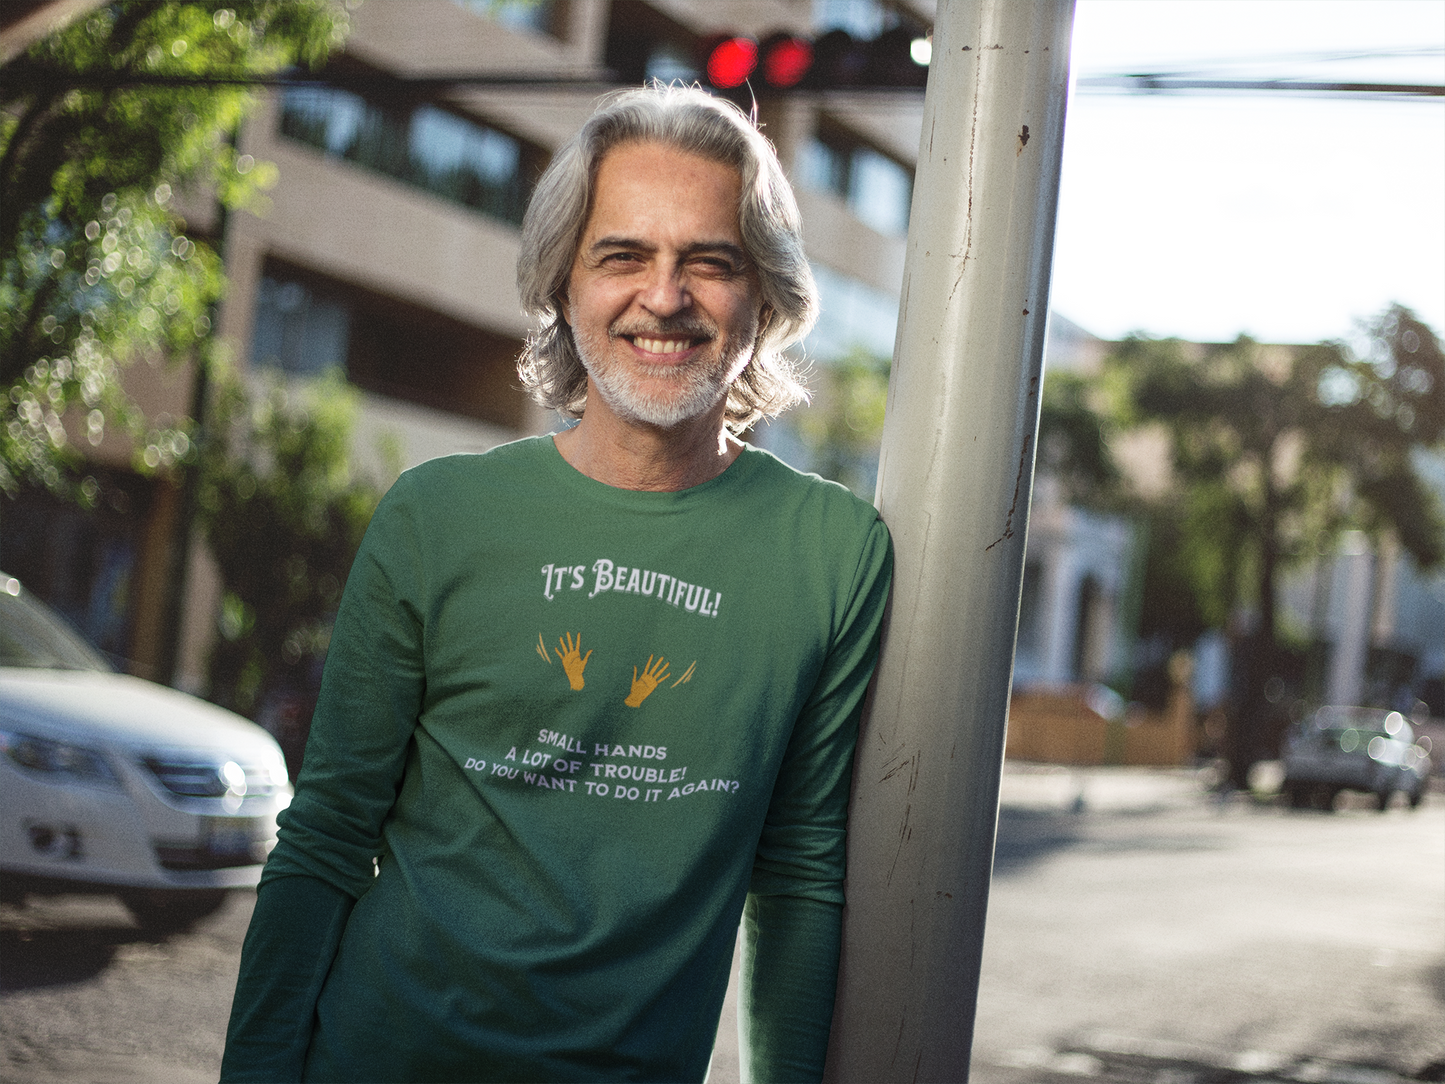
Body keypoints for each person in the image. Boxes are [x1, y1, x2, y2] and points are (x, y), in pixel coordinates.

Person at [220, 84, 892, 1084]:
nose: (662, 297)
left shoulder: (833, 552)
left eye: (708, 261)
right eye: (622, 255)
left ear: (766, 295)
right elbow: (325, 837)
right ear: (563, 284)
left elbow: (795, 876)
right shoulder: (436, 516)